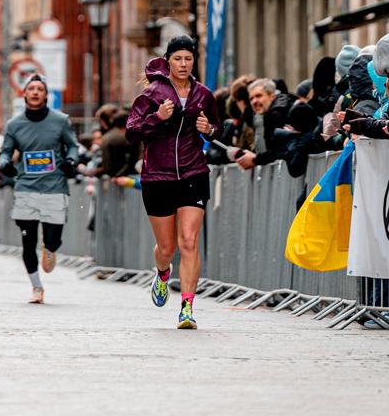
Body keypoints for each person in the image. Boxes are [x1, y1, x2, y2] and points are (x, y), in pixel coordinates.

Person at [125, 36, 219, 329]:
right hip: (158, 176)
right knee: (167, 248)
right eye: (177, 59)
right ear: (168, 62)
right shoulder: (151, 93)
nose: (183, 64)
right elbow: (132, 132)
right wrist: (157, 117)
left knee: (189, 241)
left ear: (193, 62)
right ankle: (163, 272)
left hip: (193, 173)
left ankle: (187, 307)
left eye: (188, 59)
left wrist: (210, 129)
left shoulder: (203, 94)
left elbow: (219, 126)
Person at [0, 74, 80, 304]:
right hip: (26, 187)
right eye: (31, 89)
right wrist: (4, 163)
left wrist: (71, 161)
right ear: (24, 94)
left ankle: (51, 248)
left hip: (54, 187)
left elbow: (73, 146)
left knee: (53, 239)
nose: (35, 92)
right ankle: (36, 287)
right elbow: (6, 150)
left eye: (39, 89)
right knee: (27, 240)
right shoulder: (14, 124)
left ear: (46, 95)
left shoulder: (61, 120)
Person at [235, 79, 294, 170]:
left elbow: (280, 151)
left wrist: (254, 159)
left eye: (259, 96)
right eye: (251, 98)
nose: (254, 101)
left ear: (272, 96)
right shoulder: (270, 113)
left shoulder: (277, 113)